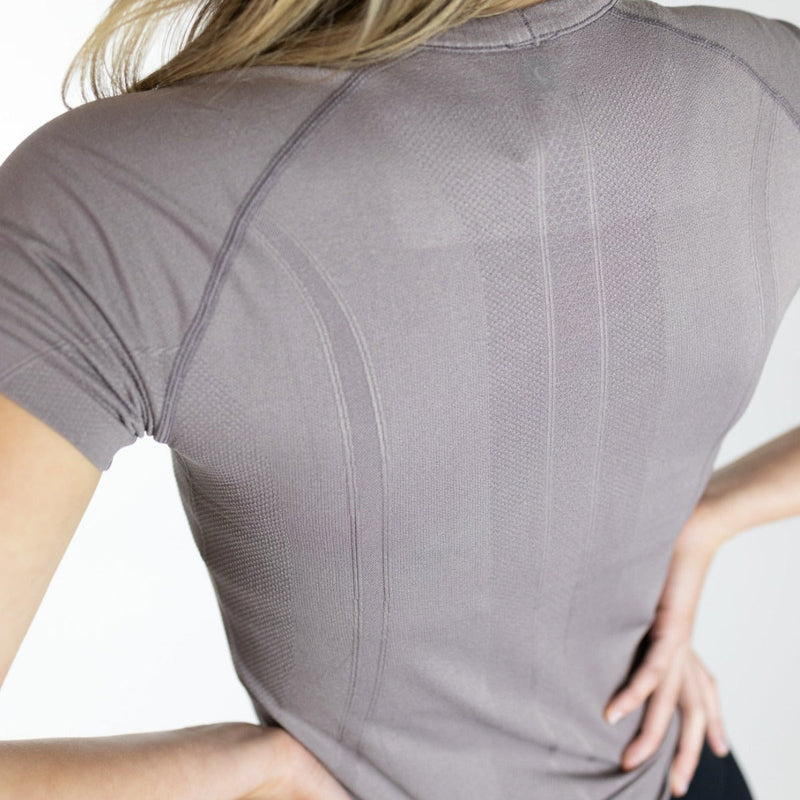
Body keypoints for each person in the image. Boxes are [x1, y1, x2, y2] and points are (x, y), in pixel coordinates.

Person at [1, 0, 799, 796]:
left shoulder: (121, 194)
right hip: (677, 773)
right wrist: (709, 515)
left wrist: (236, 773)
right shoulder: (763, 81)